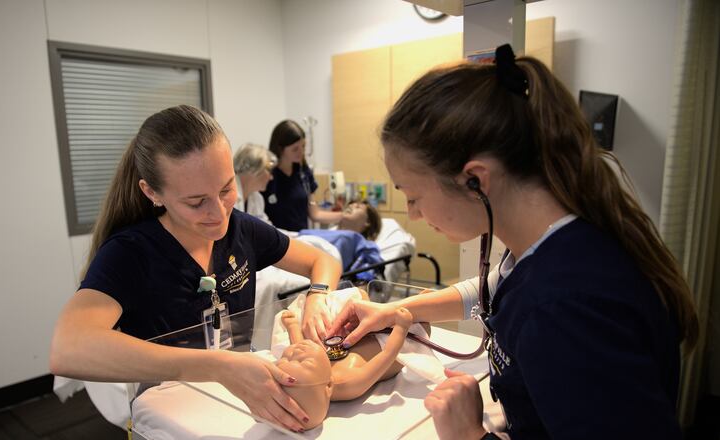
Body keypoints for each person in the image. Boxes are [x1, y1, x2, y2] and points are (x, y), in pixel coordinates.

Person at [328, 45, 698, 439]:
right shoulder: (555, 244)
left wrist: (469, 434)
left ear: (476, 180)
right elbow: (497, 288)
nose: (413, 214)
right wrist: (399, 310)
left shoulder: (565, 309)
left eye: (413, 196)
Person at [49, 105, 342, 433]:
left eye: (226, 189)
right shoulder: (130, 253)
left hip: (238, 399)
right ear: (152, 193)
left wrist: (318, 295)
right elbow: (68, 348)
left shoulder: (241, 230)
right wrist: (218, 367)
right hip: (171, 411)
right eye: (195, 202)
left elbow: (323, 261)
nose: (218, 214)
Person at [277, 294, 415, 430]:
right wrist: (401, 327)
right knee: (420, 326)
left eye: (285, 358)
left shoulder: (315, 371)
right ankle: (420, 304)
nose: (294, 352)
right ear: (329, 386)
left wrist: (292, 326)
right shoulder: (348, 383)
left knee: (358, 297)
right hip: (399, 342)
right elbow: (388, 354)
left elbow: (298, 345)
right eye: (303, 361)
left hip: (361, 334)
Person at [261, 120, 342, 231]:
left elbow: (315, 213)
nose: (301, 152)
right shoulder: (266, 175)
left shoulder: (303, 172)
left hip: (301, 239)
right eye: (295, 149)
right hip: (275, 242)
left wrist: (344, 216)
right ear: (280, 148)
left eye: (303, 146)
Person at [233, 142, 276, 224]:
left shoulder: (257, 198)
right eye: (269, 171)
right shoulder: (226, 195)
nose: (271, 177)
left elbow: (267, 229)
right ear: (254, 169)